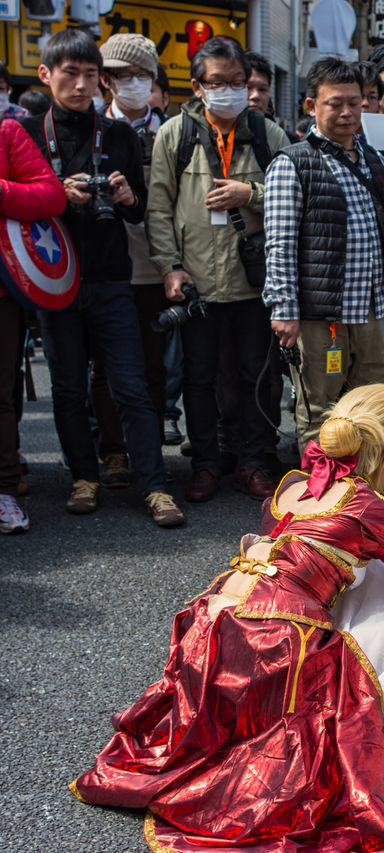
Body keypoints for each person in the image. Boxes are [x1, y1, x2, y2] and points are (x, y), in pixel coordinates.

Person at [71, 382, 384, 852]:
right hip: (273, 638)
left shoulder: (291, 484)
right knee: (347, 710)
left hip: (207, 620)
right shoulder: (374, 508)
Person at [20, 29, 183, 527]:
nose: (81, 84)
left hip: (113, 279)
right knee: (68, 388)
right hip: (56, 281)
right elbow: (19, 208)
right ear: (46, 74)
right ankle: (83, 477)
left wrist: (129, 198)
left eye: (90, 75)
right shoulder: (26, 132)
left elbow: (137, 215)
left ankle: (154, 486)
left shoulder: (117, 136)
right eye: (70, 73)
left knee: (131, 386)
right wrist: (57, 194)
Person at [149, 36, 292, 502]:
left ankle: (253, 462)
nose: (229, 90)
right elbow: (159, 209)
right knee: (199, 377)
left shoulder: (268, 133)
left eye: (238, 82)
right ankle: (206, 463)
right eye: (219, 82)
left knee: (257, 375)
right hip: (197, 284)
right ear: (197, 86)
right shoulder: (174, 134)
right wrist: (170, 268)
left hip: (254, 283)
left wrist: (248, 195)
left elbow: (295, 198)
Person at [262, 58, 384, 451]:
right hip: (318, 314)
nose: (347, 113)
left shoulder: (375, 160)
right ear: (311, 106)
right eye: (335, 103)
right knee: (321, 410)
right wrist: (283, 309)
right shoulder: (293, 163)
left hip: (373, 309)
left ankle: (374, 490)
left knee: (382, 402)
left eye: (355, 103)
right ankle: (324, 496)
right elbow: (280, 243)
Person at [90, 33, 168, 493]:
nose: (132, 83)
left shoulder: (174, 130)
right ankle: (113, 450)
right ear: (107, 80)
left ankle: (150, 447)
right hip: (108, 264)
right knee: (105, 368)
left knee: (154, 364)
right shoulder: (94, 129)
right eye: (122, 75)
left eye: (141, 75)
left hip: (157, 263)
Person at [0, 118, 67, 532]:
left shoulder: (7, 132)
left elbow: (50, 196)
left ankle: (5, 488)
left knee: (0, 395)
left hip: (3, 294)